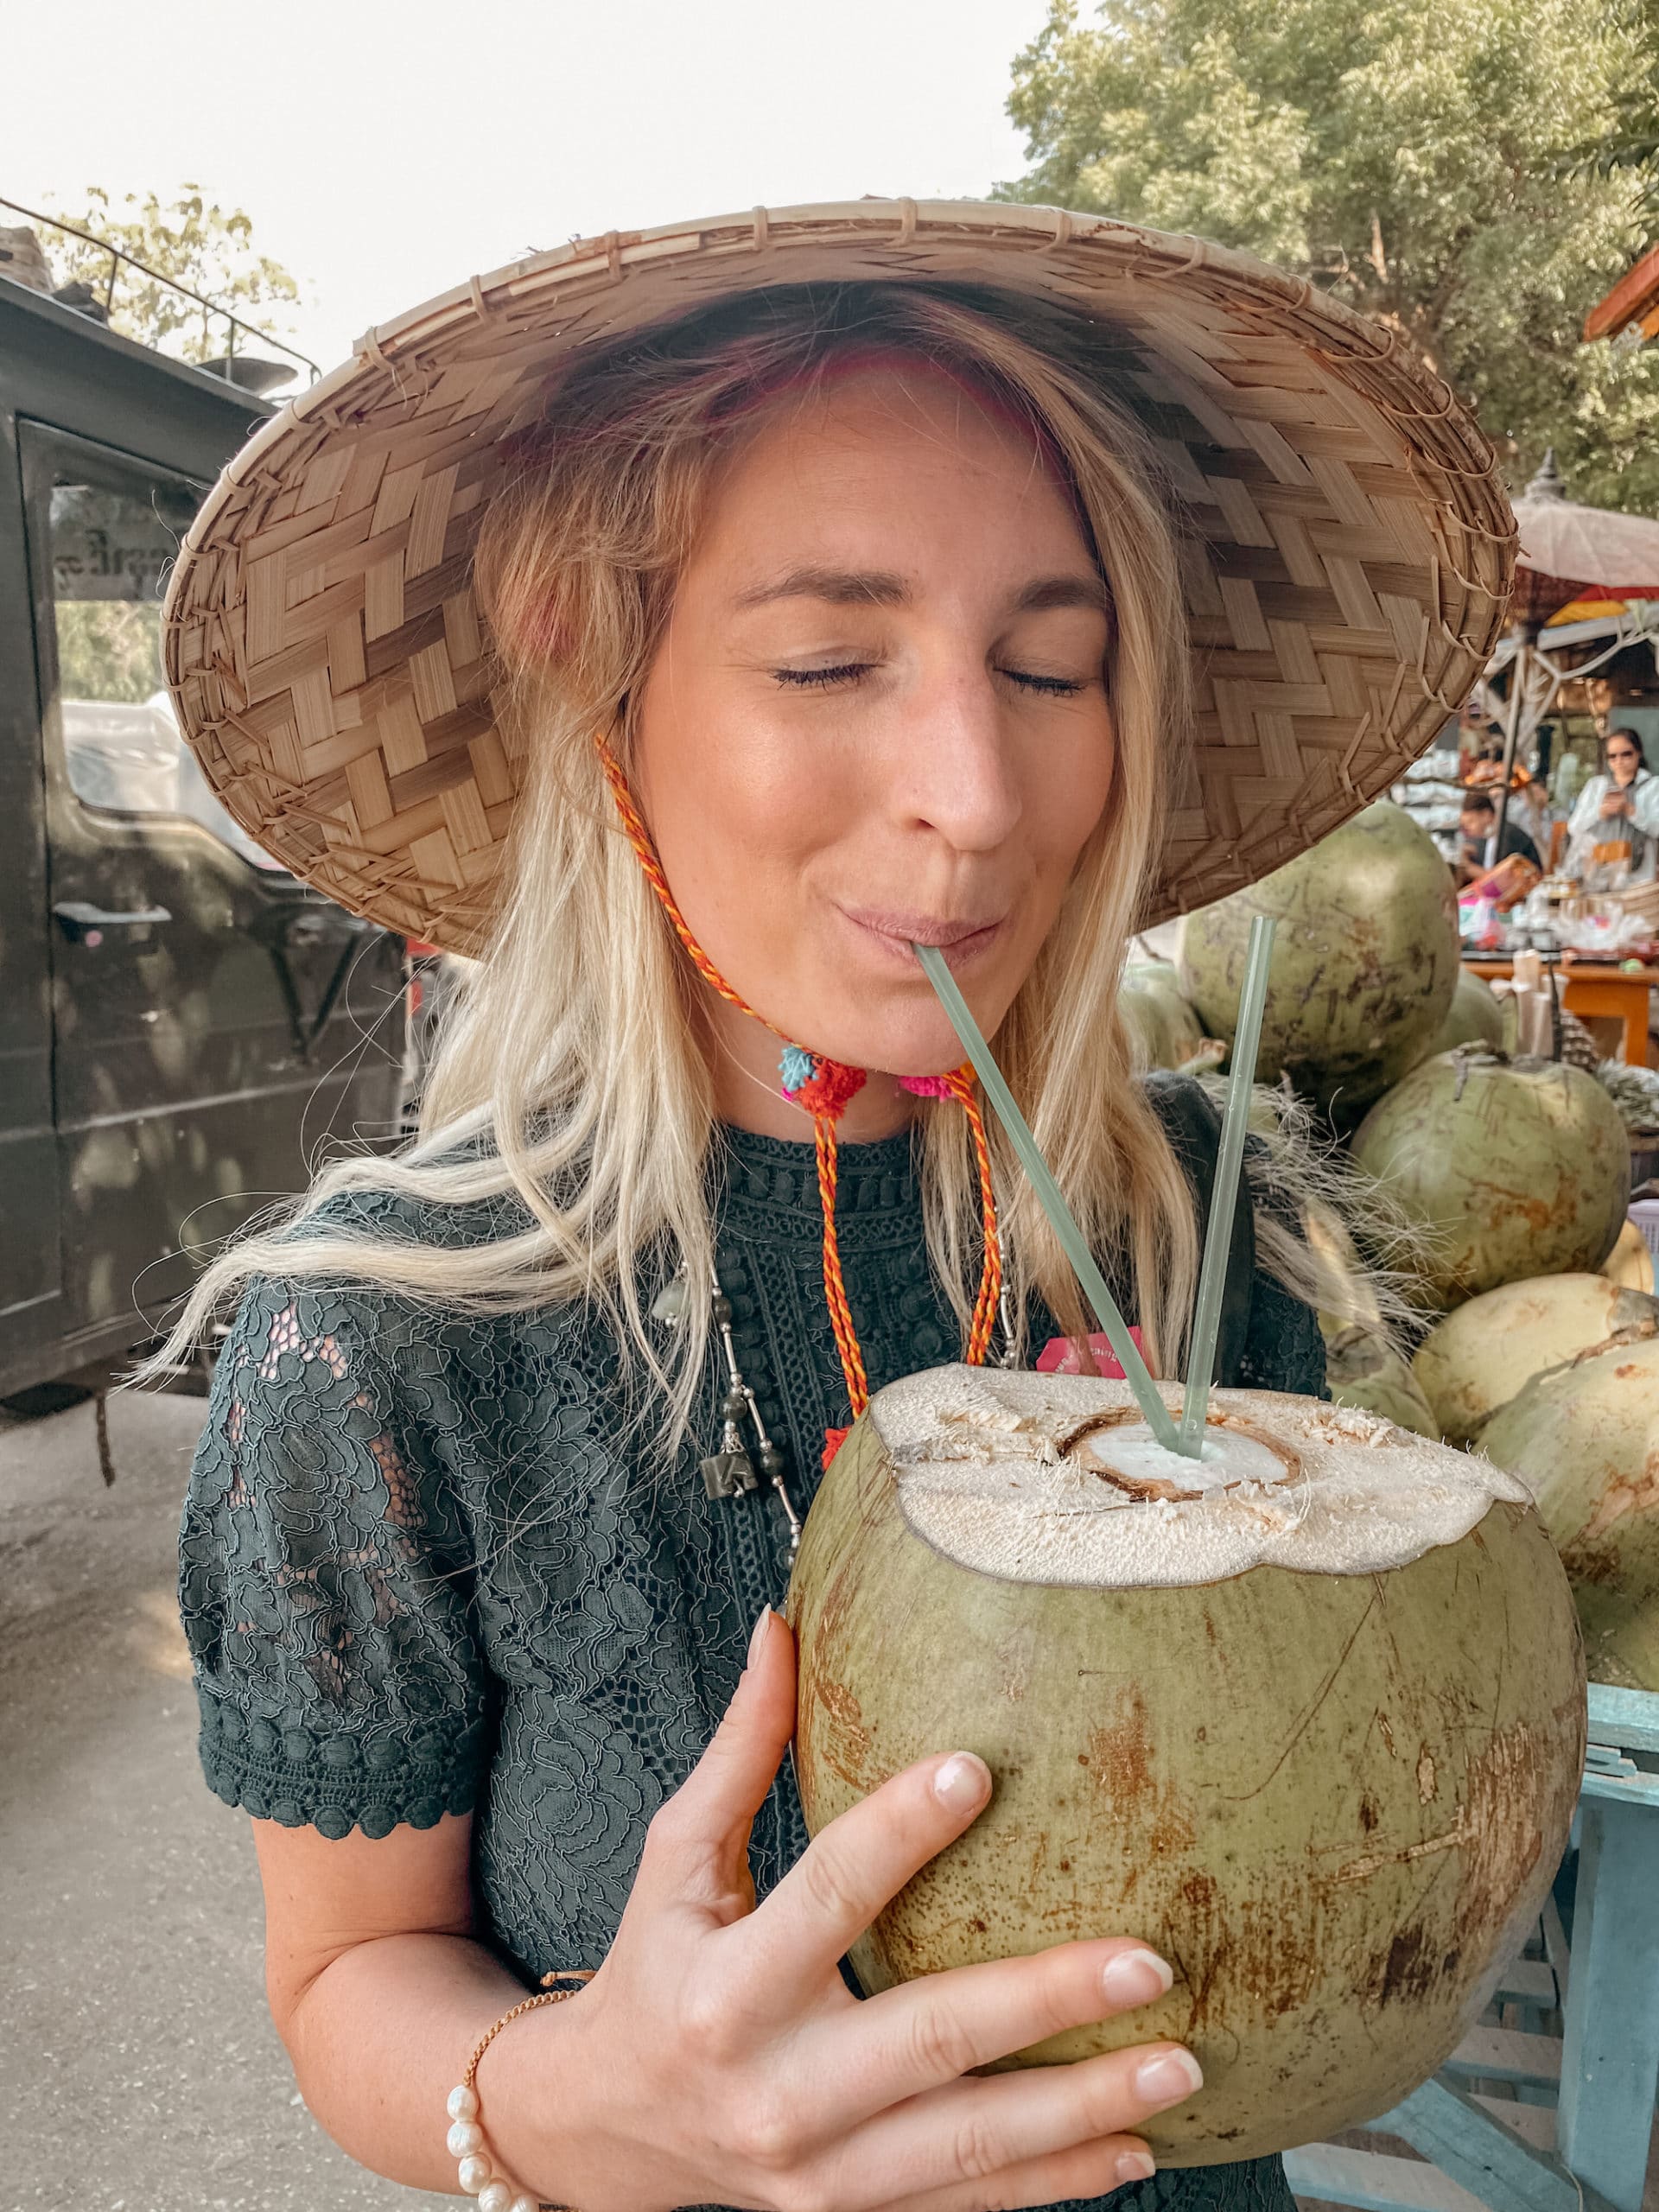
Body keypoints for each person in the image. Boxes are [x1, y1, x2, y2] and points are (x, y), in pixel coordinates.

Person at [155, 204, 1505, 2212]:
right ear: (592, 672)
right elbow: (352, 1966)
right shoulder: (384, 1339)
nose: (975, 785)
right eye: (825, 656)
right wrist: (556, 2095)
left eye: (1050, 664)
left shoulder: (1199, 1220)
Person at [1566, 726, 1659, 882]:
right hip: (1596, 873)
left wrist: (1631, 812)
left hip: (1638, 877)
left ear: (1638, 753)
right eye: (1612, 756)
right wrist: (1600, 813)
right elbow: (1574, 827)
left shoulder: (1653, 786)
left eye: (1626, 754)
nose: (1619, 761)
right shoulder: (1596, 786)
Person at [1455, 790, 1541, 885]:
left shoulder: (1509, 836)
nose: (1468, 828)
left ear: (1486, 815)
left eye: (1471, 822)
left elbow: (1503, 881)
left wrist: (1470, 868)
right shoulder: (1486, 839)